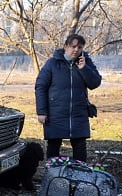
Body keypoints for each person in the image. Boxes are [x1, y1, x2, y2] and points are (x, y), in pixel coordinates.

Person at [35, 33, 102, 162]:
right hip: (56, 113)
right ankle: (53, 175)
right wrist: (41, 112)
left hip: (78, 114)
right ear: (66, 46)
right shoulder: (52, 63)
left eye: (80, 47)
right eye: (73, 46)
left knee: (80, 147)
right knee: (54, 145)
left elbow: (95, 83)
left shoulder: (86, 62)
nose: (76, 50)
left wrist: (84, 69)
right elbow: (40, 87)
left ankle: (79, 175)